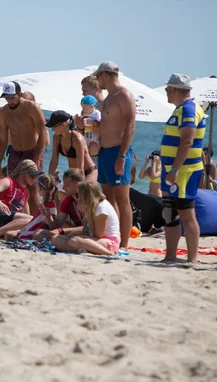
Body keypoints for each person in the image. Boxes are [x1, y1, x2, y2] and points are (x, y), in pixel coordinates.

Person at [79, 61, 135, 250]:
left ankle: (125, 243)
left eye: (98, 77)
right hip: (104, 151)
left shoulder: (123, 95)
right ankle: (114, 238)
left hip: (119, 151)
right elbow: (105, 127)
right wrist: (93, 126)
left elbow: (130, 126)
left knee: (122, 199)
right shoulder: (108, 99)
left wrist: (122, 155)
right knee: (108, 198)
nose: (98, 81)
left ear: (104, 75)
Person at [160, 73, 206, 264]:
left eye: (166, 90)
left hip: (184, 171)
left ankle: (192, 258)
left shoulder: (189, 109)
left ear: (173, 89)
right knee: (169, 213)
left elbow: (187, 141)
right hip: (172, 169)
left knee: (187, 213)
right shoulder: (180, 109)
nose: (166, 94)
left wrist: (174, 170)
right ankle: (170, 256)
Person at [0, 81, 49, 214]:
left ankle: (35, 221)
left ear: (19, 94)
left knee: (32, 189)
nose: (9, 101)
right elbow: (2, 138)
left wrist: (36, 157)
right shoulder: (3, 112)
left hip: (32, 152)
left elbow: (43, 133)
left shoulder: (31, 107)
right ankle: (19, 221)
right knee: (14, 188)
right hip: (15, 153)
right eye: (6, 98)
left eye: (12, 97)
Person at [51, 181, 120, 256]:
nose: (78, 198)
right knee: (55, 239)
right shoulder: (94, 206)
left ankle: (108, 253)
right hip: (97, 240)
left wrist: (88, 215)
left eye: (79, 195)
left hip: (109, 242)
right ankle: (85, 250)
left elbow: (98, 234)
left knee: (74, 241)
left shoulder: (101, 208)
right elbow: (88, 231)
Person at [0, 159, 41, 238]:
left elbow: (26, 216)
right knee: (33, 220)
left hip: (9, 222)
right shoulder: (8, 181)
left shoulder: (26, 192)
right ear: (23, 172)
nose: (34, 179)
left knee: (33, 221)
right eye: (32, 175)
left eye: (36, 176)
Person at [34, 168, 85, 242]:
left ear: (77, 185)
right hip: (74, 234)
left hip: (89, 235)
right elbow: (56, 226)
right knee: (37, 233)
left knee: (60, 239)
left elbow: (86, 229)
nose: (63, 188)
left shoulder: (86, 199)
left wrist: (61, 230)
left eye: (67, 185)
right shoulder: (69, 199)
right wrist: (48, 216)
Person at [47, 110, 97, 182]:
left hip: (88, 172)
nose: (52, 129)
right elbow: (54, 160)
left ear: (63, 125)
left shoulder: (77, 139)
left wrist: (80, 183)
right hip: (73, 174)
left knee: (81, 191)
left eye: (54, 126)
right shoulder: (56, 138)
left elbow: (80, 166)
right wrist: (50, 178)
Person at [4, 173, 58, 241]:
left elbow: (48, 225)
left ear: (40, 189)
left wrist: (48, 216)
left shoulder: (49, 204)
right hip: (37, 230)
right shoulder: (46, 202)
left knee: (9, 235)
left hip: (38, 231)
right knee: (8, 234)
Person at [80, 95, 101, 165]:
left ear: (92, 106)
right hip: (87, 133)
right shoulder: (85, 113)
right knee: (86, 145)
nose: (83, 109)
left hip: (94, 134)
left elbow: (100, 122)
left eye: (84, 108)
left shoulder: (96, 113)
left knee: (98, 143)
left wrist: (93, 122)